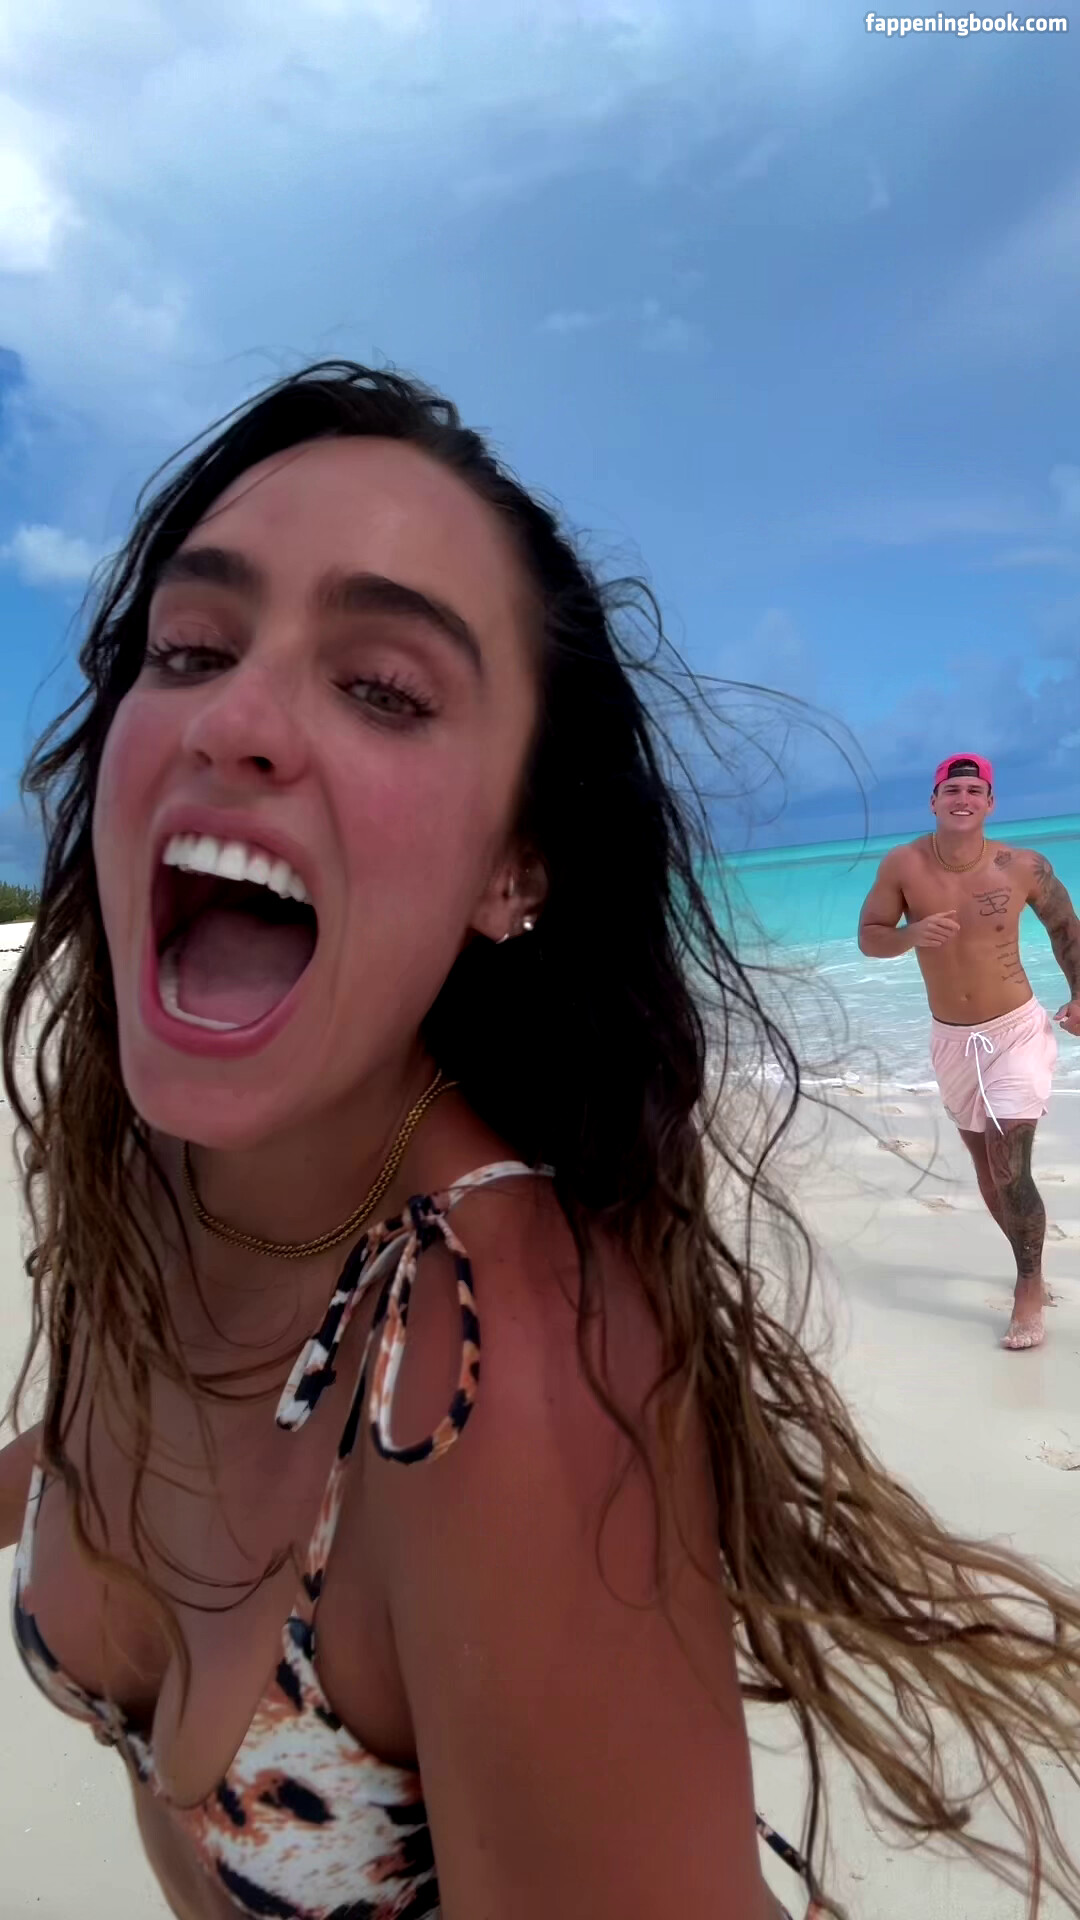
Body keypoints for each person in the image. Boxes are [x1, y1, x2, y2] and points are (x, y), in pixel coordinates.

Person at [2, 369, 1080, 1920]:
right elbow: (123, 1434)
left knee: (1011, 1180)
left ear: (515, 868)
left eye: (384, 687)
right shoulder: (150, 1176)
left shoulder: (497, 1375)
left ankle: (1031, 1274)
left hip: (1015, 1033)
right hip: (951, 1035)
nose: (232, 717)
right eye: (189, 649)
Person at [858, 753, 1080, 1351]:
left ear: (990, 803)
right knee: (988, 1171)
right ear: (934, 801)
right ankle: (1028, 1262)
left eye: (974, 791)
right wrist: (910, 935)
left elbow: (1066, 928)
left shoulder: (1022, 866)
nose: (963, 798)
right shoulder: (903, 864)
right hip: (952, 1041)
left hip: (1015, 1031)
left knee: (1011, 1165)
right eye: (952, 790)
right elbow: (870, 937)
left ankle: (1027, 1288)